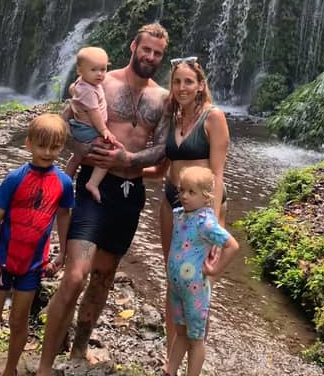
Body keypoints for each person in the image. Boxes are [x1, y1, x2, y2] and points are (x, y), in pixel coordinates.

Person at [36, 23, 171, 376]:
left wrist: (128, 160)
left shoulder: (163, 98)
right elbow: (61, 124)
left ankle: (79, 348)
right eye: (146, 50)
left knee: (104, 275)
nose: (151, 57)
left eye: (158, 53)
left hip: (130, 194)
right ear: (133, 47)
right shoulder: (99, 81)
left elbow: (162, 149)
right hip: (95, 189)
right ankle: (46, 363)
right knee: (76, 274)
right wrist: (80, 148)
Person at [0, 113, 74, 376]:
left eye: (55, 147)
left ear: (62, 147)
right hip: (4, 261)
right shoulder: (14, 178)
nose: (48, 152)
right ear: (28, 144)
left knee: (19, 321)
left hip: (32, 265)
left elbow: (63, 216)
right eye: (42, 146)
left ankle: (10, 370)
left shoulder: (63, 183)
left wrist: (63, 253)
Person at [143, 55, 230, 355]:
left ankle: (195, 359)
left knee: (199, 284)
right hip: (171, 202)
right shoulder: (173, 118)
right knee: (174, 278)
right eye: (177, 81)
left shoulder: (213, 117)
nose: (182, 87)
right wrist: (123, 168)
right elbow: (161, 168)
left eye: (188, 81)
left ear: (201, 84)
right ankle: (171, 359)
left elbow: (217, 174)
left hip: (203, 210)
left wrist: (214, 223)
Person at [163, 166, 239, 376]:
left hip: (195, 289)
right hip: (177, 287)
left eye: (191, 192)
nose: (184, 196)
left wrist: (215, 269)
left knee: (196, 338)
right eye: (182, 190)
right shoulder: (180, 215)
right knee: (180, 331)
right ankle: (170, 370)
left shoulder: (205, 222)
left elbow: (232, 245)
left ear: (207, 197)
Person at [63, 46, 115, 203]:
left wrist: (74, 92)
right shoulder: (89, 91)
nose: (100, 74)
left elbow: (73, 88)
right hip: (89, 129)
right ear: (80, 71)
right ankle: (93, 183)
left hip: (79, 127)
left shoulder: (82, 83)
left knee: (76, 157)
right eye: (94, 70)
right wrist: (104, 130)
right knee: (108, 151)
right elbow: (94, 113)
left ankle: (65, 180)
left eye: (103, 69)